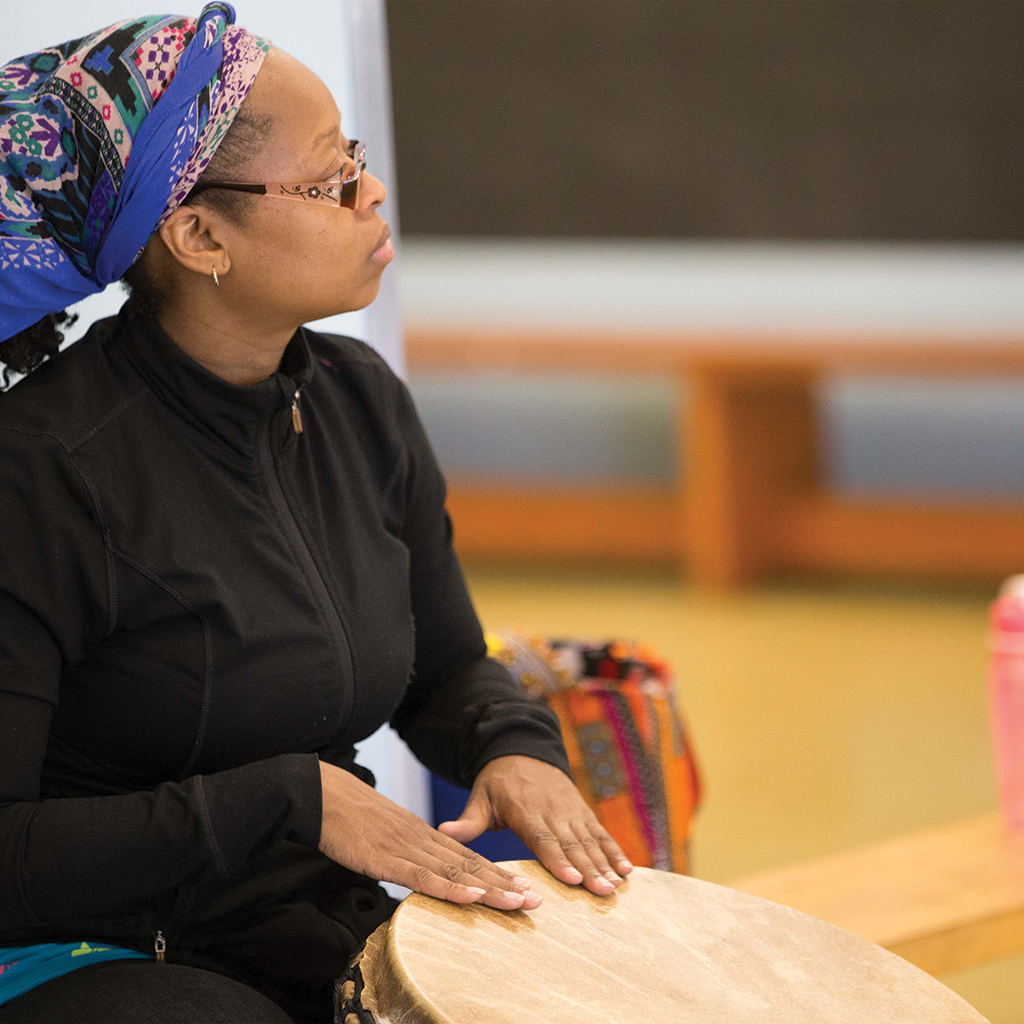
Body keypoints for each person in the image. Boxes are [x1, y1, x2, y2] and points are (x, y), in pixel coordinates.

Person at [0, 5, 633, 1022]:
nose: (370, 192)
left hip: (292, 921)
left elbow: (445, 668)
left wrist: (511, 744)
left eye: (357, 160)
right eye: (330, 179)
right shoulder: (39, 470)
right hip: (83, 948)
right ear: (201, 236)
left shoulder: (358, 400)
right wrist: (290, 798)